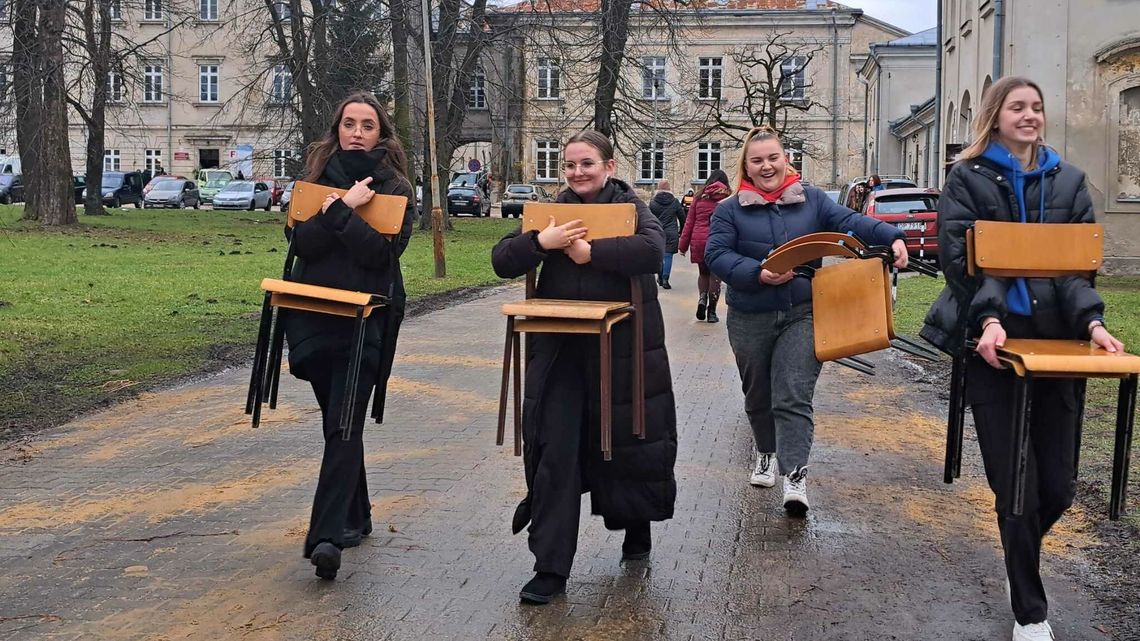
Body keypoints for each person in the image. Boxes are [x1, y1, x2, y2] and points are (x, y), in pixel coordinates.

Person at [923, 76, 1124, 641]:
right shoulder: (966, 179)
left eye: (1037, 106)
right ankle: (1030, 612)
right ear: (996, 115)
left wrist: (1094, 323)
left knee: (1056, 487)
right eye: (1018, 106)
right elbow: (963, 264)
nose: (1030, 115)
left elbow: (1075, 269)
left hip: (1058, 345)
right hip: (994, 349)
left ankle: (1020, 551)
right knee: (1017, 486)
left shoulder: (1070, 182)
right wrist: (988, 320)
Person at [491, 130, 677, 605]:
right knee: (555, 451)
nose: (577, 172)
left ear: (609, 166)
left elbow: (653, 251)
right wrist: (540, 241)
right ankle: (550, 567)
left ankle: (637, 527)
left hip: (622, 352)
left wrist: (591, 252)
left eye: (587, 163)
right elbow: (501, 260)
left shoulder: (632, 210)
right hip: (559, 353)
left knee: (628, 445)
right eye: (570, 165)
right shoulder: (548, 214)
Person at [704, 126, 906, 514]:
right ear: (746, 165)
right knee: (758, 393)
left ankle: (795, 475)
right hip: (750, 314)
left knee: (793, 392)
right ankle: (765, 451)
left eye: (773, 158)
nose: (767, 166)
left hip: (803, 312)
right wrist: (757, 273)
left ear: (786, 159)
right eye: (757, 160)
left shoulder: (812, 201)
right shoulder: (730, 209)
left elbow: (852, 221)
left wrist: (891, 234)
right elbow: (716, 254)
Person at [282, 92, 415, 580]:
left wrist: (342, 213)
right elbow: (301, 243)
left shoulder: (397, 188)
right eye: (349, 123)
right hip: (313, 317)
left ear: (382, 134)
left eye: (368, 125)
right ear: (337, 128)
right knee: (335, 423)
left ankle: (326, 536)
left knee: (343, 423)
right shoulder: (314, 180)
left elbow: (380, 255)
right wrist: (339, 207)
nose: (357, 132)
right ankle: (356, 515)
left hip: (367, 321)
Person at [679, 169, 731, 323]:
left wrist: (682, 246)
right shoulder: (728, 197)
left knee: (703, 273)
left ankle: (702, 298)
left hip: (699, 240)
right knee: (716, 276)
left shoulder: (699, 196)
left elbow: (689, 222)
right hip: (719, 240)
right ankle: (712, 312)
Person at [649, 179, 684, 289]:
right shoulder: (675, 202)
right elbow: (682, 218)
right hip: (671, 232)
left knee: (659, 256)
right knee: (668, 256)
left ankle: (659, 276)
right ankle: (665, 279)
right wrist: (681, 231)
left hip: (657, 232)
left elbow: (647, 219)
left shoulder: (653, 203)